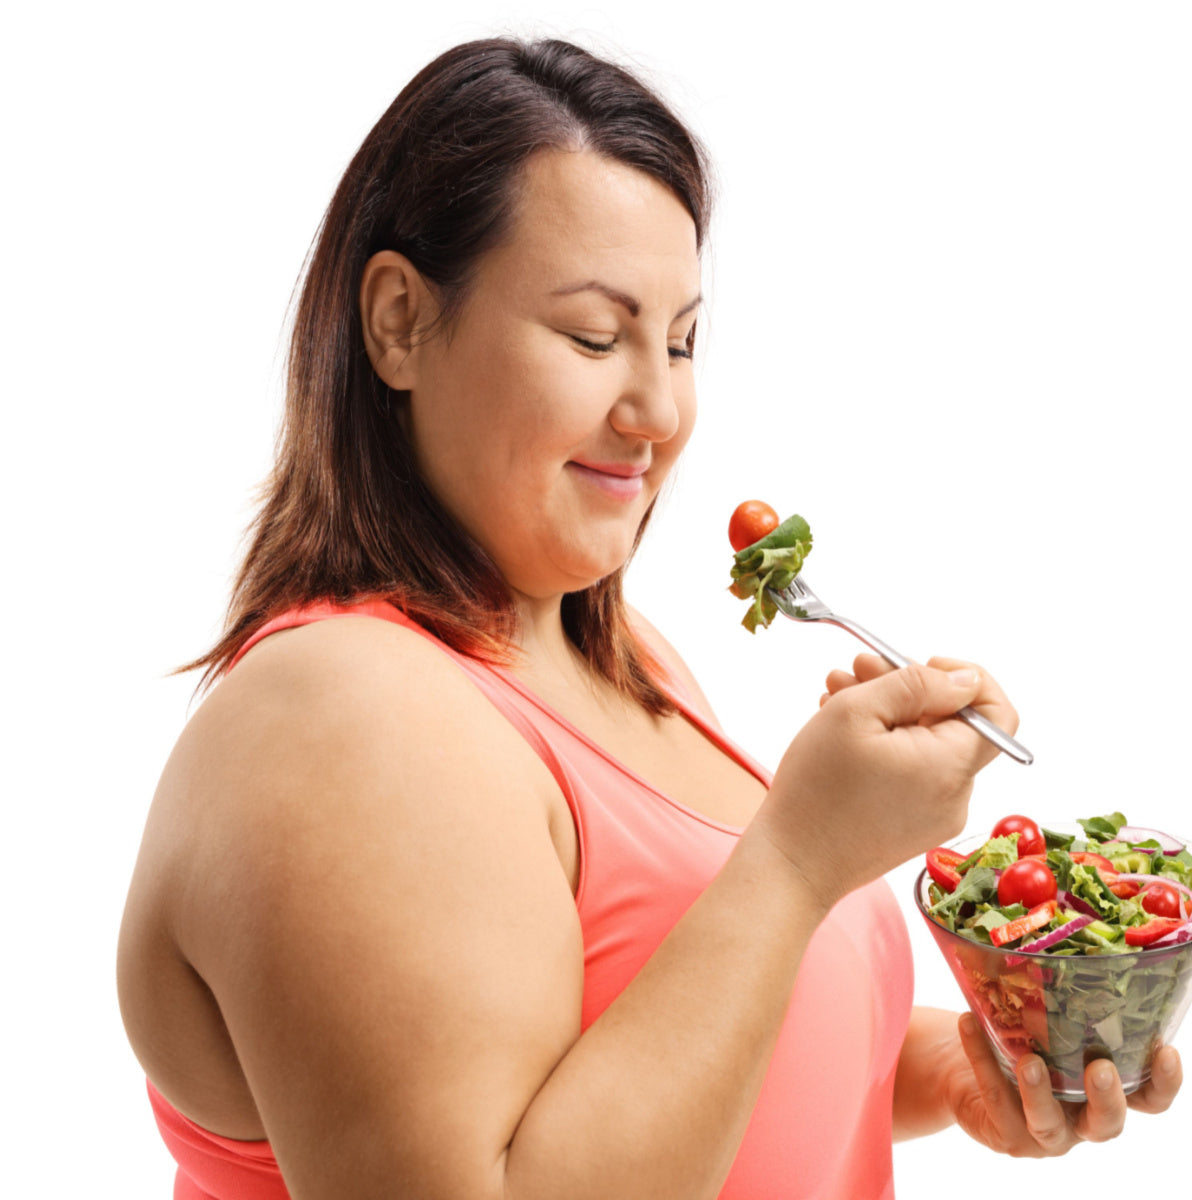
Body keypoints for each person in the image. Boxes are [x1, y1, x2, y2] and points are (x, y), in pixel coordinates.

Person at [117, 36, 1182, 1200]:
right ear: (398, 323)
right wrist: (798, 860)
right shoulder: (338, 717)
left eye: (679, 341)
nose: (660, 409)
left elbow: (704, 1055)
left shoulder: (623, 664)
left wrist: (964, 1073)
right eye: (591, 336)